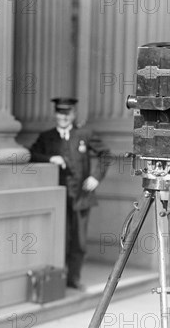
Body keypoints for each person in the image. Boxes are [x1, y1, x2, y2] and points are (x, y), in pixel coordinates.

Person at [29, 98, 110, 289]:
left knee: (79, 241)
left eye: (67, 114)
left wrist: (96, 177)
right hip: (58, 198)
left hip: (81, 197)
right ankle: (57, 280)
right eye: (59, 113)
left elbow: (105, 154)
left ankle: (73, 279)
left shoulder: (84, 134)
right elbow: (31, 154)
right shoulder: (46, 137)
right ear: (55, 114)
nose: (63, 117)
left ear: (73, 115)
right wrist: (51, 158)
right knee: (59, 238)